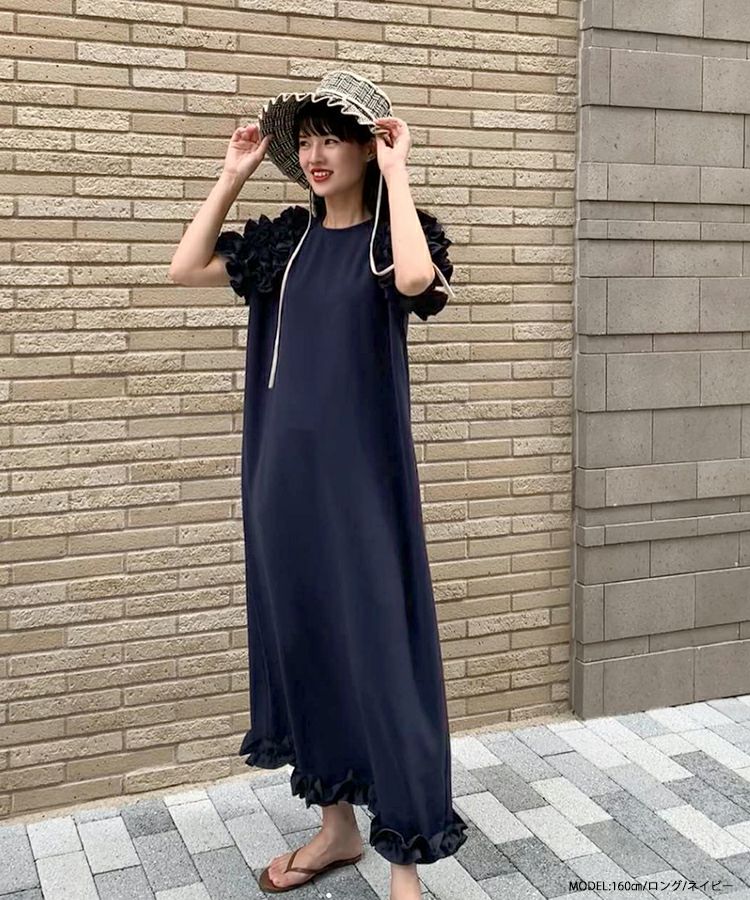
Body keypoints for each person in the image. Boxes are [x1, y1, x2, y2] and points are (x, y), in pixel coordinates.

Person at [169, 70, 468, 899]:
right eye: (304, 141)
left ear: (367, 148)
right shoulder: (285, 245)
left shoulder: (391, 239)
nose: (315, 154)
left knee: (383, 659)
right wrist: (232, 174)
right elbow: (185, 266)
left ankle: (404, 864)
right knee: (306, 646)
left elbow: (416, 282)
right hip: (282, 487)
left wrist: (399, 174)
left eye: (331, 137)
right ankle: (337, 829)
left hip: (363, 490)